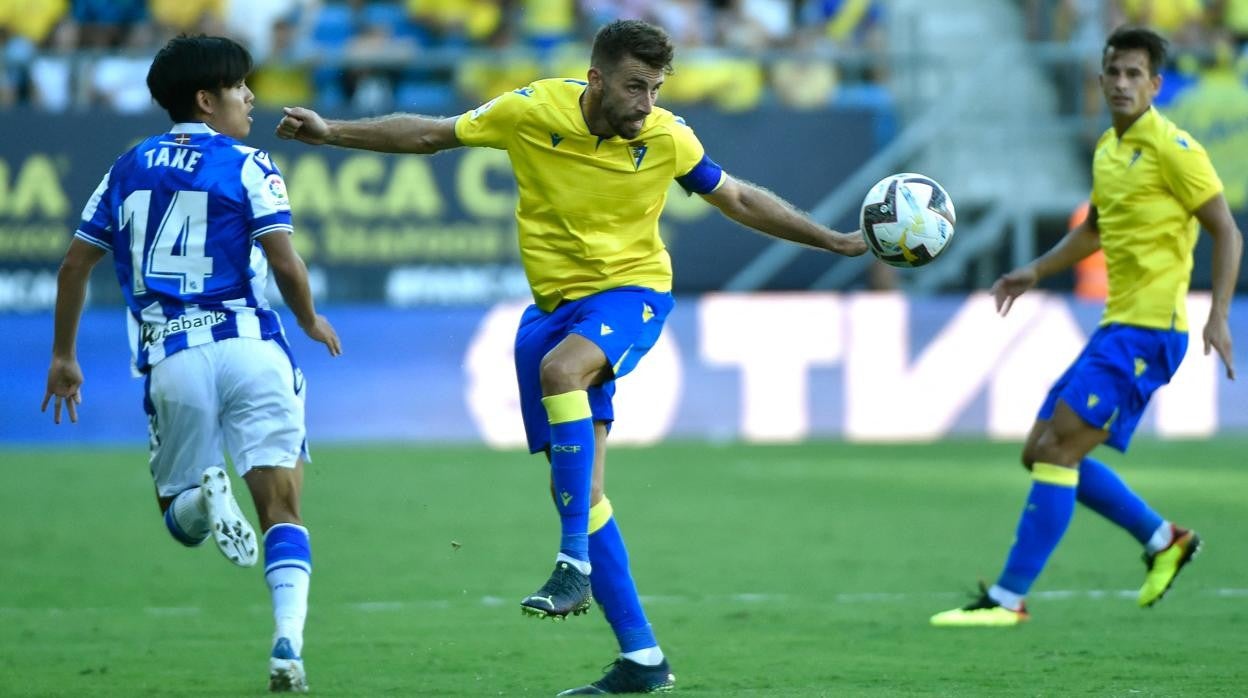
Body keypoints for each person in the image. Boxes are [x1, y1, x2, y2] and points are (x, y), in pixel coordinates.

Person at [277, 19, 866, 694]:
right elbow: (431, 133)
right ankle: (642, 660)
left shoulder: (669, 137)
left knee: (564, 372)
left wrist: (835, 241)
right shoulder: (530, 112)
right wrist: (332, 131)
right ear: (595, 80)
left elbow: (735, 197)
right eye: (635, 87)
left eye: (656, 88)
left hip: (631, 295)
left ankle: (571, 564)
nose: (647, 103)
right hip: (553, 311)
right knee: (584, 494)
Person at [42, 35, 341, 691]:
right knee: (283, 511)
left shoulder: (127, 166)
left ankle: (205, 503)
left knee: (180, 523)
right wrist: (309, 318)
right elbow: (284, 260)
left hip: (174, 355)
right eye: (239, 89)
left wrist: (64, 355)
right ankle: (287, 643)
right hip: (252, 348)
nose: (250, 97)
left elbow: (73, 266)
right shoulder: (248, 163)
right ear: (207, 101)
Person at [930, 25, 1243, 628]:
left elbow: (1227, 230)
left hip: (1151, 332)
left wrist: (1219, 314)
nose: (1123, 83)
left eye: (1135, 75)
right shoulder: (1108, 149)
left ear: (1155, 84)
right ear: (1100, 80)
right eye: (1114, 72)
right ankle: (1163, 540)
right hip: (1116, 327)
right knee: (1039, 451)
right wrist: (1035, 270)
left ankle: (1006, 600)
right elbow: (1095, 230)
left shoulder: (1175, 149)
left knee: (1058, 448)